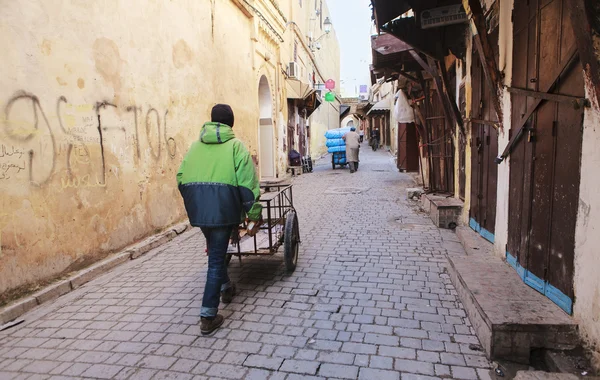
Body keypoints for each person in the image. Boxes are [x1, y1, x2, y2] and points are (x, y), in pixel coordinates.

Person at [177, 104, 262, 335]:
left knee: (216, 252)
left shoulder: (195, 147)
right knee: (215, 260)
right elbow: (246, 186)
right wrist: (254, 215)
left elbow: (180, 177)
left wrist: (194, 202)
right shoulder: (236, 147)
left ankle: (226, 288)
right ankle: (208, 316)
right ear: (231, 123)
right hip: (224, 212)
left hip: (200, 213)